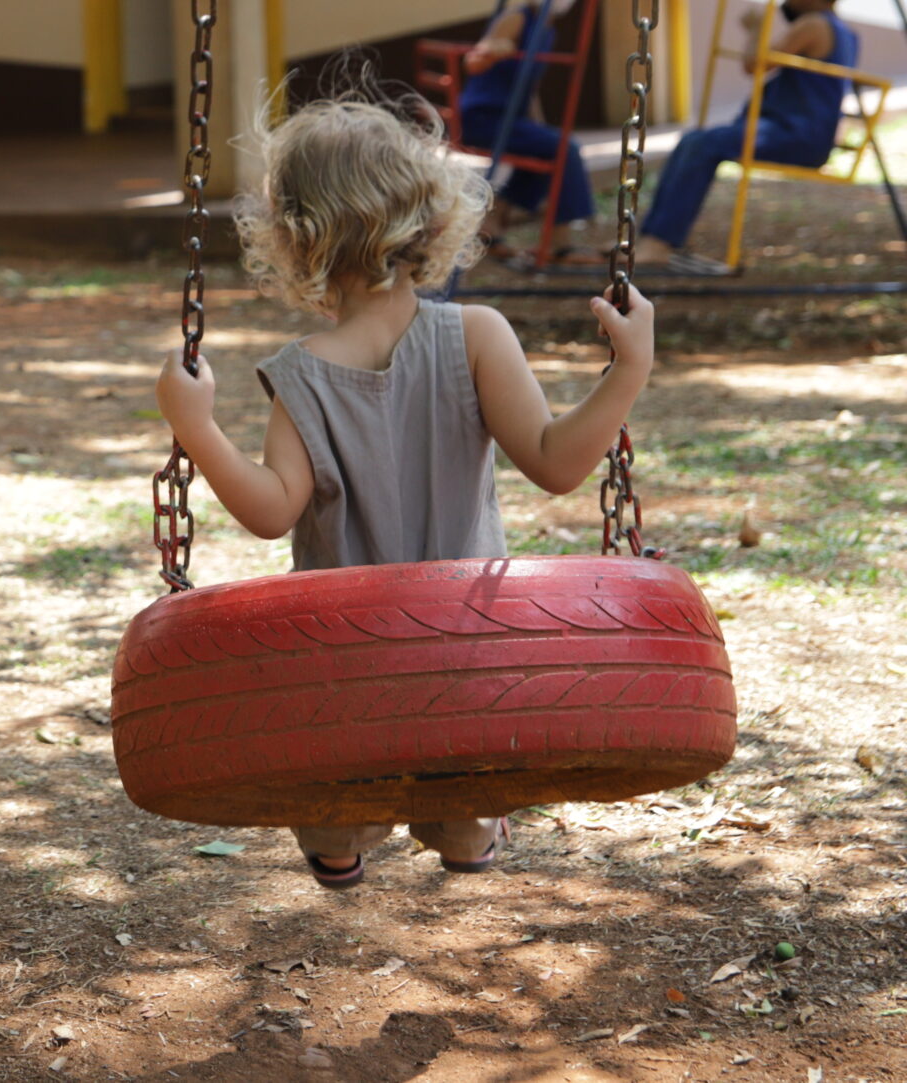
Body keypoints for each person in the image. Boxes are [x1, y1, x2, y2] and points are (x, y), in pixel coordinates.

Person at [151, 93, 656, 888]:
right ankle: (466, 828)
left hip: (345, 670)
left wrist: (198, 427)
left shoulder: (301, 375)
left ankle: (339, 840)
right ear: (429, 219)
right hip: (474, 657)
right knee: (467, 765)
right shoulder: (478, 335)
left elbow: (268, 511)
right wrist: (627, 371)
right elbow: (559, 463)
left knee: (335, 776)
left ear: (293, 238)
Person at [639, 0, 860, 274]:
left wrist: (756, 26)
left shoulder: (813, 24)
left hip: (794, 134)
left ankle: (658, 242)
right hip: (801, 132)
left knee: (701, 143)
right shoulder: (845, 32)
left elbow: (754, 63)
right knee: (693, 141)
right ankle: (653, 239)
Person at [458, 0, 597, 269]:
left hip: (510, 118)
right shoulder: (517, 18)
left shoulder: (546, 28)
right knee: (566, 149)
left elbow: (529, 87)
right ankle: (562, 243)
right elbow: (473, 60)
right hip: (483, 117)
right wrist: (493, 51)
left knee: (545, 149)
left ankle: (490, 228)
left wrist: (539, 125)